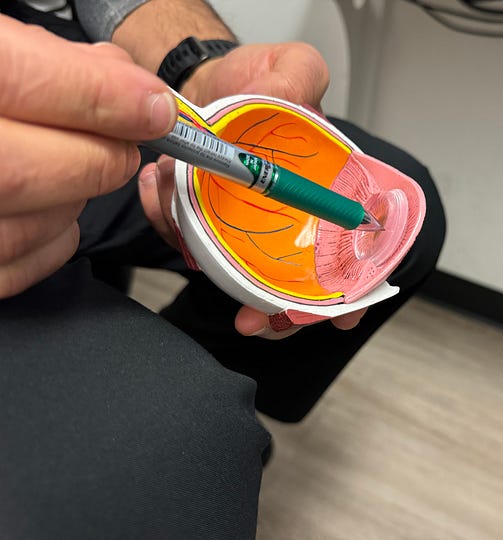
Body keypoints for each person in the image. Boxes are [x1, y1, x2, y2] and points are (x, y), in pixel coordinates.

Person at [0, 0, 446, 538]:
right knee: (185, 452)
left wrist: (196, 66)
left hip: (51, 70)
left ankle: (210, 369)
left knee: (414, 229)